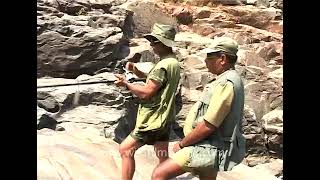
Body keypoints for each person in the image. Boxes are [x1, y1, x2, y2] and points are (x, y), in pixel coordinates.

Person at [151, 37, 246, 180]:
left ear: (222, 58)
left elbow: (209, 125)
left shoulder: (226, 83)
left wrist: (182, 144)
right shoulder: (226, 79)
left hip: (208, 148)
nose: (206, 61)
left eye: (209, 57)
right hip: (210, 146)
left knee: (160, 174)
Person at [114, 23, 181, 180]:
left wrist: (126, 84)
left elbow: (146, 93)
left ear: (164, 43)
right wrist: (135, 71)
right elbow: (157, 81)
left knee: (125, 150)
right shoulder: (172, 62)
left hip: (152, 120)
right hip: (165, 118)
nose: (151, 45)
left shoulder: (162, 65)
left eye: (154, 41)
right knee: (162, 155)